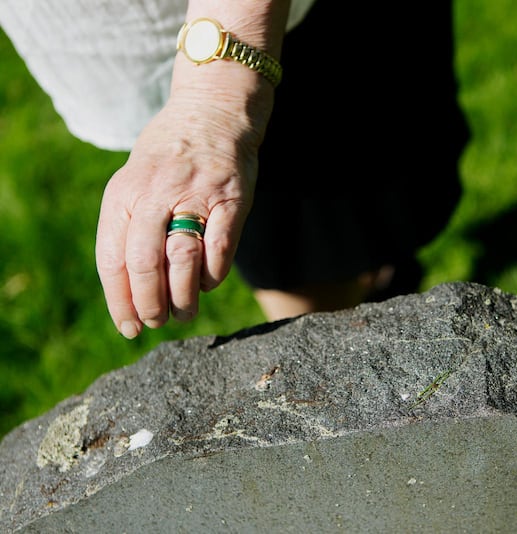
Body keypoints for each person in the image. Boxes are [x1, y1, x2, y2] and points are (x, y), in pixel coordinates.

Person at [0, 0, 468, 338]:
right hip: (124, 35)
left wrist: (212, 101)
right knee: (308, 272)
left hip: (271, 22)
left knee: (396, 175)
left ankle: (381, 276)